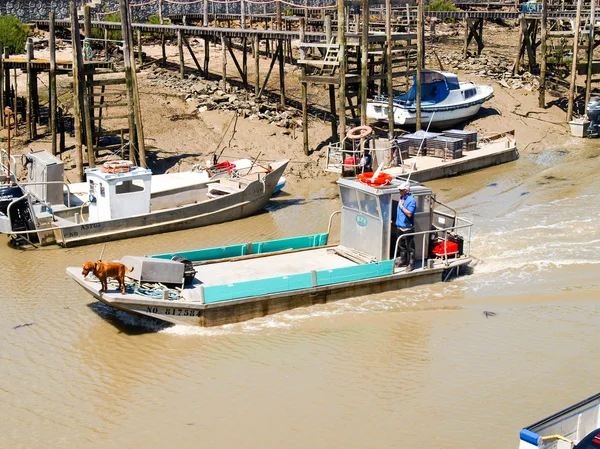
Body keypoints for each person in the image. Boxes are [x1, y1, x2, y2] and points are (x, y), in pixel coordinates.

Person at [395, 182, 416, 272]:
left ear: (406, 191)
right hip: (400, 227)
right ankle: (403, 260)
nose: (400, 191)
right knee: (401, 245)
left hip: (408, 228)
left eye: (401, 190)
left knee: (410, 247)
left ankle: (411, 264)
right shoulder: (401, 198)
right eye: (399, 190)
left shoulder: (411, 200)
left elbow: (409, 214)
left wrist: (401, 206)